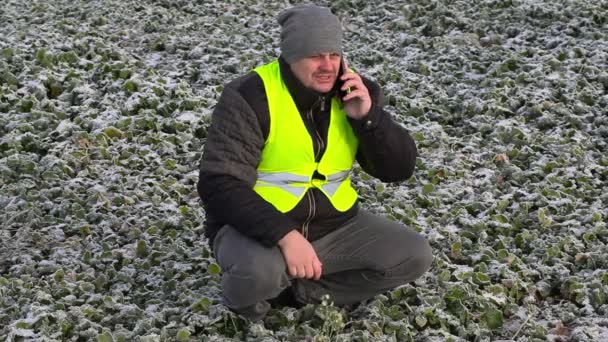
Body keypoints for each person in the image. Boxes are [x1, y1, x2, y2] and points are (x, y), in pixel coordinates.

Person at [197, 4, 432, 321]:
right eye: (315, 56)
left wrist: (367, 118)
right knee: (259, 273)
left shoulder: (357, 92)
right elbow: (219, 184)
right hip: (254, 229)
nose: (327, 66)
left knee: (413, 255)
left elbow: (399, 170)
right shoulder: (250, 95)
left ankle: (300, 293)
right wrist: (286, 236)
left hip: (334, 225)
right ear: (291, 57)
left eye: (334, 55)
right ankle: (248, 310)